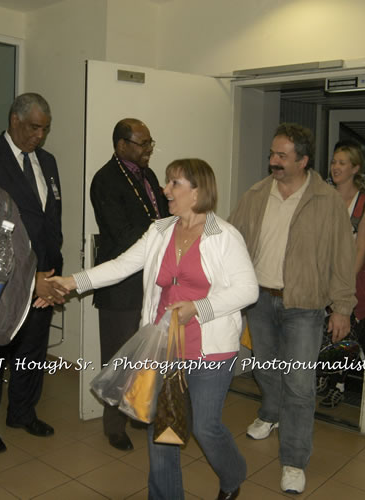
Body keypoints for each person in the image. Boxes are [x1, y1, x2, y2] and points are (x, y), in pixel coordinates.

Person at [51, 159, 258, 500]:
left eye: (174, 183)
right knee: (163, 431)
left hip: (210, 349)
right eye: (166, 182)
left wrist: (197, 308)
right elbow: (120, 266)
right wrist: (73, 282)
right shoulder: (160, 230)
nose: (165, 190)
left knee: (205, 427)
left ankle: (233, 473)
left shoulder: (224, 236)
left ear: (197, 191)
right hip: (164, 346)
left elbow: (247, 290)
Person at [229, 123, 356, 494]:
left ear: (303, 160)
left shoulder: (327, 201)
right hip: (260, 299)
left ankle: (294, 460)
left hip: (304, 305)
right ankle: (270, 412)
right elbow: (232, 243)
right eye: (272, 154)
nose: (273, 161)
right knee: (265, 369)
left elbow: (342, 259)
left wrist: (342, 308)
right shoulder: (255, 195)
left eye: (282, 156)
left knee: (299, 385)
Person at [0, 93, 66, 451]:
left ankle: (23, 412)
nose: (39, 136)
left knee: (32, 347)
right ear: (14, 120)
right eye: (34, 127)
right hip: (6, 276)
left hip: (45, 269)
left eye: (45, 129)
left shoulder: (47, 161)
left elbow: (51, 216)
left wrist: (55, 265)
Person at [90, 118, 168, 451]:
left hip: (151, 281)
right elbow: (121, 234)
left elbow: (163, 218)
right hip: (120, 285)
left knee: (148, 355)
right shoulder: (105, 180)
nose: (149, 149)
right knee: (119, 357)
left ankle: (139, 409)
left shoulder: (148, 175)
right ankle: (114, 425)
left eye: (151, 142)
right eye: (143, 143)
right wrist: (157, 236)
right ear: (122, 145)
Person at [321, 142, 365, 407]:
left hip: (351, 277)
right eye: (334, 161)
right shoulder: (323, 197)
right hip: (321, 274)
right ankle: (323, 375)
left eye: (342, 162)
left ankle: (338, 384)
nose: (336, 167)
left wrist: (344, 286)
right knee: (321, 329)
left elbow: (360, 249)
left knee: (345, 332)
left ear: (355, 168)